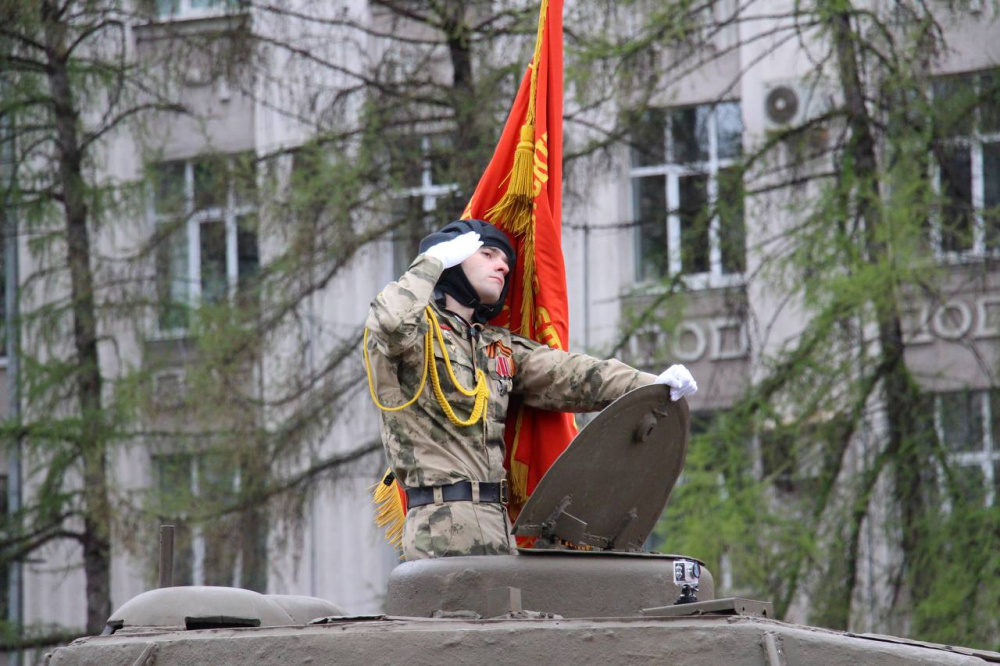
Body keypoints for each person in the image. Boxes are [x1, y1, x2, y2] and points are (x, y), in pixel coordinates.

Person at [364, 219, 697, 561]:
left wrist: (650, 384)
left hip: (497, 524)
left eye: (505, 261)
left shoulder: (494, 346)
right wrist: (432, 261)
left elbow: (569, 374)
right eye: (488, 254)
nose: (503, 266)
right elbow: (391, 323)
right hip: (439, 525)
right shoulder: (414, 336)